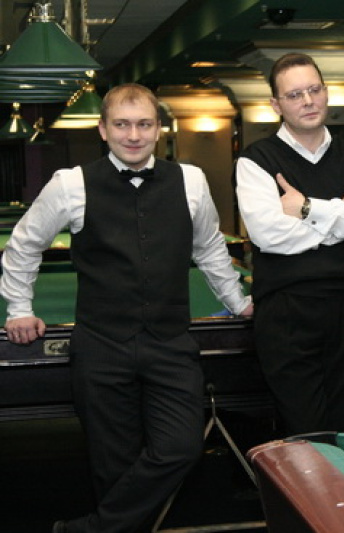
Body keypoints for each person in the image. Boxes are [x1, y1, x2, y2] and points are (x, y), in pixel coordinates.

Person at [0, 83, 254, 533]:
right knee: (112, 464)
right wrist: (19, 308)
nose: (133, 135)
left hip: (170, 342)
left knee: (180, 447)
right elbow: (23, 245)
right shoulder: (70, 184)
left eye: (143, 124)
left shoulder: (191, 180)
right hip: (101, 345)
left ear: (158, 129)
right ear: (103, 129)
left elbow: (210, 248)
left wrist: (238, 302)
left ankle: (89, 530)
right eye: (122, 124)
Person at [235, 53, 344, 437]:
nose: (307, 101)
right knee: (305, 433)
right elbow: (269, 235)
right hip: (286, 311)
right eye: (294, 95)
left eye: (314, 90)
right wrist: (342, 214)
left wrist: (307, 209)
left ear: (326, 92)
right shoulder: (256, 160)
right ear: (276, 105)